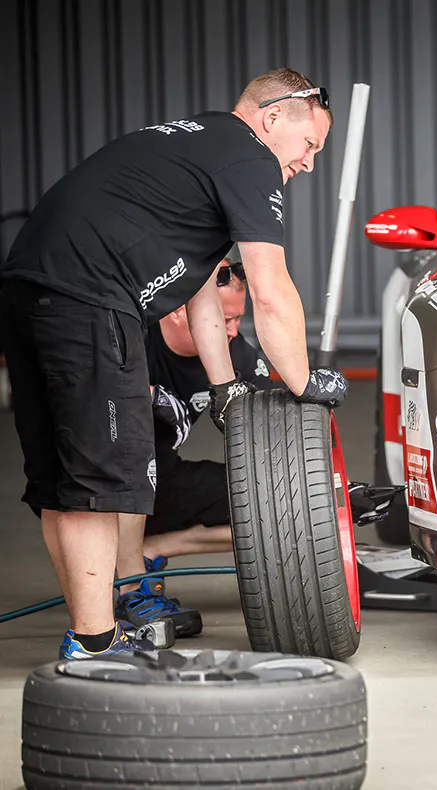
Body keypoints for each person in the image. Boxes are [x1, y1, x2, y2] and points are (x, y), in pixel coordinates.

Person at [0, 68, 347, 660]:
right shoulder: (249, 157)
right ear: (272, 117)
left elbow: (200, 287)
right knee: (102, 485)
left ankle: (93, 631)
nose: (310, 163)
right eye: (310, 144)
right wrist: (302, 379)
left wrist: (225, 385)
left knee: (60, 486)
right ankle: (96, 645)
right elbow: (269, 286)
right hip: (91, 299)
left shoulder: (195, 145)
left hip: (27, 292)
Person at [112, 257, 278, 639]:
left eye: (238, 319)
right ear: (177, 311)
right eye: (225, 319)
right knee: (131, 460)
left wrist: (325, 489)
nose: (233, 332)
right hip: (106, 489)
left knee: (279, 504)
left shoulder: (238, 353)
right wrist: (147, 395)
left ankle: (155, 547)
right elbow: (84, 380)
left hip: (165, 485)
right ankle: (130, 588)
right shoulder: (134, 333)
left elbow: (275, 422)